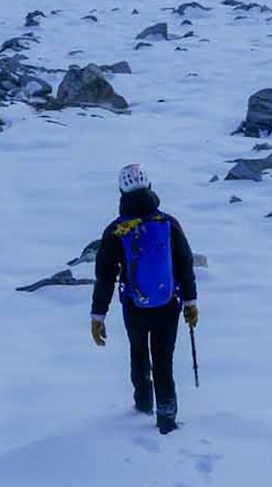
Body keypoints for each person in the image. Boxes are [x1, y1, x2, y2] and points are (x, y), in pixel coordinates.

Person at [91, 163, 199, 434]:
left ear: (121, 192)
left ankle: (142, 407)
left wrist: (98, 315)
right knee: (164, 361)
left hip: (133, 306)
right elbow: (184, 264)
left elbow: (105, 276)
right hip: (168, 304)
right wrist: (190, 302)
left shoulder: (117, 231)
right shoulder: (168, 224)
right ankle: (167, 420)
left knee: (138, 354)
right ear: (149, 187)